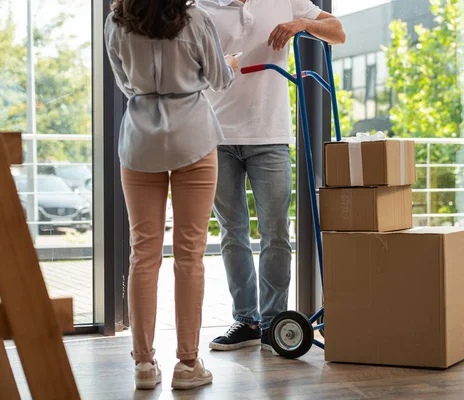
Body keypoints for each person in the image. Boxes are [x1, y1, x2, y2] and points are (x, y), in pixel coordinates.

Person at [104, 0, 238, 390]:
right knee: (190, 253)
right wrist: (226, 62)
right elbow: (219, 79)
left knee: (143, 252)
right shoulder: (196, 18)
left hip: (139, 141)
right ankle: (187, 364)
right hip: (193, 138)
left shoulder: (115, 23)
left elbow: (124, 83)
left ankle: (144, 365)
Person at [198, 0, 346, 351]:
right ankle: (246, 319)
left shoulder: (287, 1)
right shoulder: (202, 6)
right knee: (232, 233)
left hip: (271, 136)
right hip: (217, 134)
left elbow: (338, 32)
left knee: (276, 232)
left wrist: (301, 25)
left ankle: (273, 323)